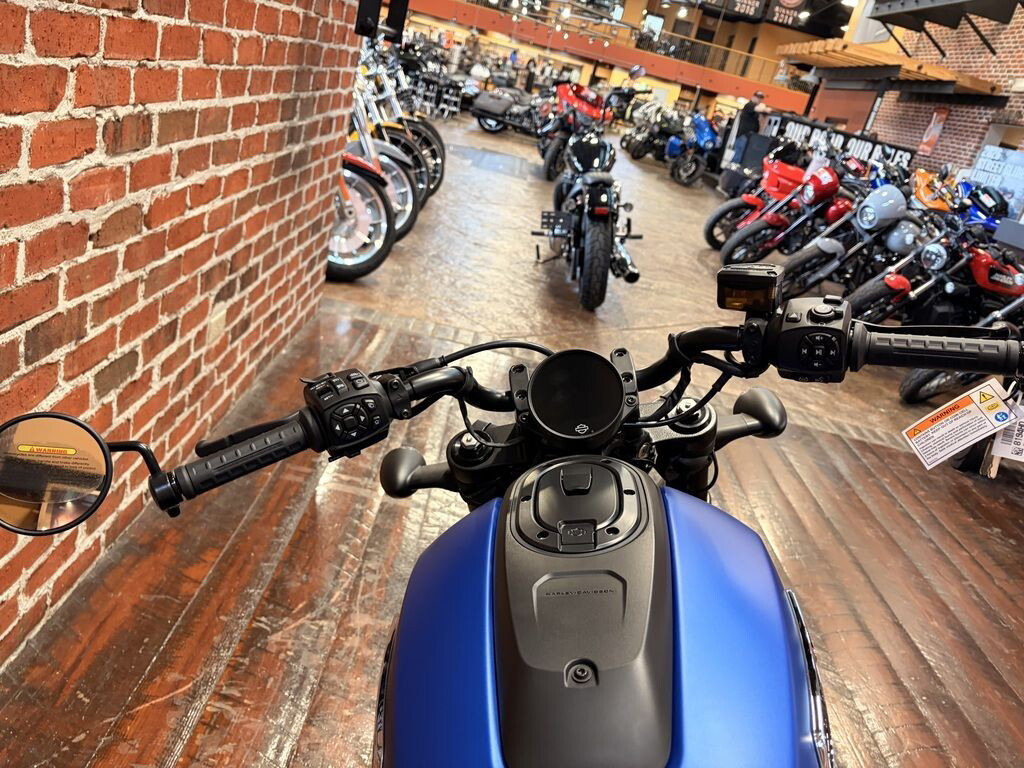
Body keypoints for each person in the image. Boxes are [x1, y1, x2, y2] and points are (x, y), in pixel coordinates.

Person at [731, 90, 766, 165]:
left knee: (741, 158)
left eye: (761, 98)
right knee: (738, 158)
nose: (759, 100)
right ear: (753, 97)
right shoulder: (749, 105)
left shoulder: (754, 110)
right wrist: (766, 110)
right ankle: (729, 171)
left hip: (748, 137)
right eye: (758, 97)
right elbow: (759, 109)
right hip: (744, 136)